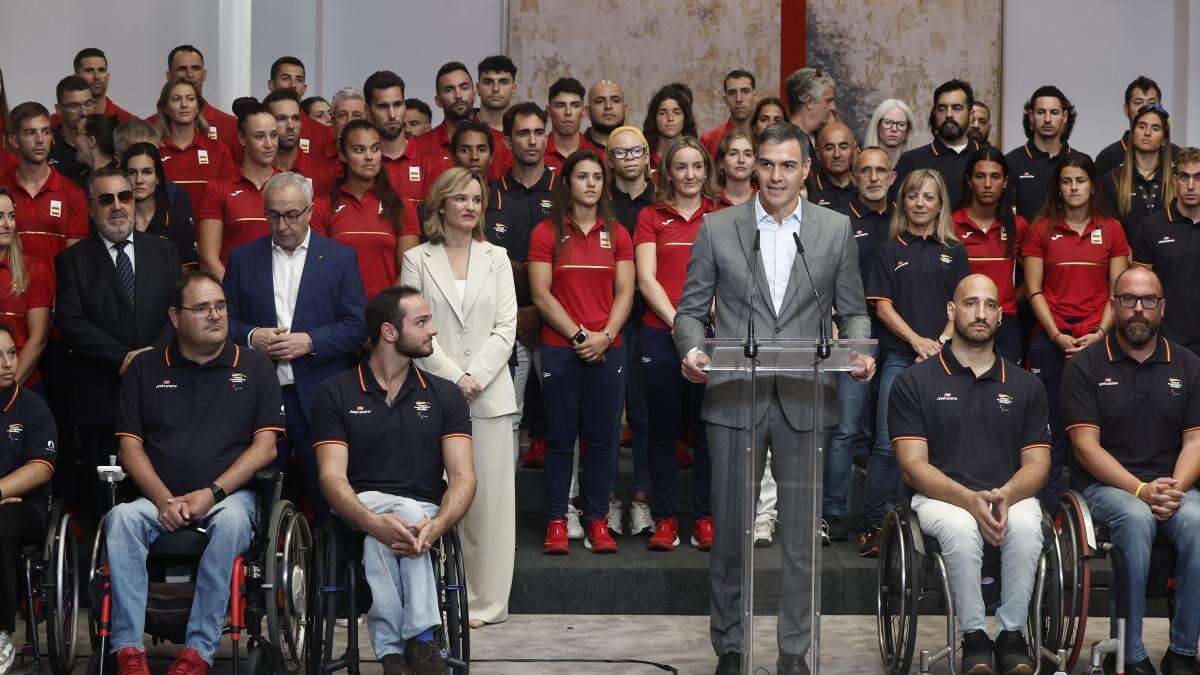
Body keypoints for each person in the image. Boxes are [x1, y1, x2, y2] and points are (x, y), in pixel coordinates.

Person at [675, 122, 874, 674]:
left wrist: (859, 350)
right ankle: (732, 650)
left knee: (800, 543)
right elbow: (690, 312)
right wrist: (692, 351)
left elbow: (854, 309)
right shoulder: (719, 229)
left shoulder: (835, 231)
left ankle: (794, 653)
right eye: (768, 164)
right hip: (736, 399)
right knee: (732, 537)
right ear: (753, 167)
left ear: (807, 170)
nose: (777, 175)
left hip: (806, 399)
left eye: (789, 165)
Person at [105, 270, 283, 675]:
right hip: (158, 499)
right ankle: (128, 651)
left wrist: (212, 493)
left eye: (220, 306)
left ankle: (199, 651)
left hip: (228, 499)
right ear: (174, 316)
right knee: (119, 519)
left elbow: (266, 446)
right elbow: (129, 448)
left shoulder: (255, 366)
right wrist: (163, 499)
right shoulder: (146, 368)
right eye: (202, 308)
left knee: (235, 522)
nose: (215, 315)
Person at [891, 274, 1050, 675]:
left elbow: (1037, 464)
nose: (981, 313)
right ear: (951, 310)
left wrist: (1005, 497)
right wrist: (970, 500)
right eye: (971, 303)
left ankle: (1013, 636)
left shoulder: (1027, 385)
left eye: (990, 305)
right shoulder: (914, 382)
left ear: (1000, 315)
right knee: (962, 527)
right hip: (940, 500)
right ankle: (976, 637)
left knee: (1029, 524)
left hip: (1009, 494)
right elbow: (912, 466)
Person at [312, 286, 474, 675]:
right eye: (421, 322)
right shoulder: (335, 392)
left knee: (396, 527)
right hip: (357, 506)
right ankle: (421, 641)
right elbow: (332, 477)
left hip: (423, 515)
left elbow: (464, 477)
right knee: (399, 516)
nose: (433, 329)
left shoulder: (445, 395)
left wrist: (435, 526)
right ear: (388, 331)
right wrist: (372, 520)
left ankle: (391, 654)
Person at [1062, 267, 1200, 675]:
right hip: (1106, 488)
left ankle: (1183, 652)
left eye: (1148, 300)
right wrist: (1141, 491)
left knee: (1197, 520)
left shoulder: (1189, 365)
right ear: (1112, 305)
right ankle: (1129, 653)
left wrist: (1174, 489)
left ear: (1162, 307)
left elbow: (1195, 441)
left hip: (1173, 484)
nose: (1138, 309)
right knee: (1136, 519)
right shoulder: (1085, 366)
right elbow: (1086, 449)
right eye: (1128, 299)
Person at [400, 167, 516, 627]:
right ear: (440, 205)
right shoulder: (417, 259)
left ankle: (488, 603)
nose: (471, 207)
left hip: (490, 397)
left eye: (477, 199)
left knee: (490, 507)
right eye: (461, 199)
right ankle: (439, 598)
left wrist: (476, 377)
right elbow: (414, 326)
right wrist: (454, 378)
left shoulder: (498, 257)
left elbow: (506, 327)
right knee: (438, 501)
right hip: (432, 393)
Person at [223, 171, 367, 514]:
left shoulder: (339, 258)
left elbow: (357, 326)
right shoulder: (243, 258)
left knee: (325, 492)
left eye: (292, 215)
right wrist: (251, 336)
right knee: (260, 494)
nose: (282, 225)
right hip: (258, 396)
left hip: (320, 394)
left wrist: (311, 342)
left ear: (310, 209)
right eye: (273, 215)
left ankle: (327, 562)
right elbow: (221, 321)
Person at [54, 166, 180, 520]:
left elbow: (178, 313)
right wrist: (123, 358)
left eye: (124, 197)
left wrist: (151, 355)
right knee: (104, 503)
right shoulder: (72, 261)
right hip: (101, 396)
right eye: (106, 199)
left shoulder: (165, 252)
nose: (117, 206)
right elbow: (71, 323)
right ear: (92, 207)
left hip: (162, 391)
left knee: (162, 495)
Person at [859, 169, 970, 558]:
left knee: (939, 447)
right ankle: (874, 528)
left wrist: (939, 340)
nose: (920, 204)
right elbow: (881, 305)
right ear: (902, 202)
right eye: (913, 196)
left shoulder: (955, 251)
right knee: (888, 445)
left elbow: (964, 303)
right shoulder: (890, 250)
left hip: (945, 359)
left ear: (940, 204)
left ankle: (927, 529)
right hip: (899, 358)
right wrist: (916, 341)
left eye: (928, 197)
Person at [529, 150, 634, 556]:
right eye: (582, 177)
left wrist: (605, 336)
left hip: (609, 349)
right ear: (567, 183)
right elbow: (541, 294)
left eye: (596, 177)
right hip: (561, 349)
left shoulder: (618, 233)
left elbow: (625, 291)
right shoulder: (546, 232)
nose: (590, 183)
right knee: (559, 440)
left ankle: (596, 521)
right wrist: (579, 337)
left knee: (602, 440)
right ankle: (557, 520)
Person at [1023, 151, 1129, 507]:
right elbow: (1034, 289)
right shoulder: (1041, 230)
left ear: (1092, 186)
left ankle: (1089, 516)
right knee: (1047, 432)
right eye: (1066, 181)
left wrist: (1099, 334)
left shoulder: (1112, 229)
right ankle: (1047, 513)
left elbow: (1118, 291)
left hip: (1098, 341)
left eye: (1080, 180)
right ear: (1057, 187)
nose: (1073, 187)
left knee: (1093, 432)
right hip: (1050, 339)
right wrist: (1055, 335)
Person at [633, 136, 718, 552]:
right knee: (663, 432)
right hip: (659, 331)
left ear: (706, 171)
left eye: (696, 166)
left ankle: (704, 519)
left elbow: (730, 275)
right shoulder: (651, 215)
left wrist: (699, 326)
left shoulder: (720, 215)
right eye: (680, 167)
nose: (689, 174)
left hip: (712, 335)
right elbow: (646, 280)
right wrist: (681, 325)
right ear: (667, 172)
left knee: (705, 433)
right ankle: (665, 520)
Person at [819, 146, 895, 546]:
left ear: (892, 176)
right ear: (855, 176)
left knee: (889, 431)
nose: (873, 177)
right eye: (865, 170)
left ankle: (881, 516)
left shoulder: (903, 218)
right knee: (846, 427)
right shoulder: (839, 221)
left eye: (881, 170)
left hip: (897, 337)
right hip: (852, 332)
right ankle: (831, 513)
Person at [490, 104, 556, 472]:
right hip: (506, 322)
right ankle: (504, 517)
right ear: (507, 139)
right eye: (522, 133)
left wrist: (540, 308)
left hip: (556, 320)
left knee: (565, 422)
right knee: (507, 418)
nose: (531, 140)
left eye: (537, 132)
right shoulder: (491, 194)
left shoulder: (565, 189)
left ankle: (568, 510)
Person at [602, 126, 653, 535]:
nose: (630, 157)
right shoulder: (599, 201)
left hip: (650, 319)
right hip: (605, 319)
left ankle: (641, 498)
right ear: (608, 158)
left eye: (637, 149)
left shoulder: (661, 200)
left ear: (649, 154)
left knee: (643, 414)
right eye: (621, 152)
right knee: (604, 416)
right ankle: (607, 499)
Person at [0, 324, 56, 674]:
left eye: (10, 353)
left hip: (27, 510)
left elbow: (41, 468)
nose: (7, 363)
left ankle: (1, 632)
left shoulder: (31, 406)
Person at [312, 119, 419, 300]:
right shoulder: (322, 206)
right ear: (343, 154)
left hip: (386, 314)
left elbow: (410, 271)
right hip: (338, 314)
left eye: (375, 149)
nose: (369, 156)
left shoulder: (401, 206)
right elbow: (319, 270)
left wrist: (384, 309)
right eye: (359, 150)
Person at [953, 148, 1029, 364]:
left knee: (1006, 389)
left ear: (1005, 181)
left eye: (995, 177)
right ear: (969, 180)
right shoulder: (951, 224)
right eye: (980, 176)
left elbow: (1034, 277)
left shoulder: (1018, 225)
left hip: (1005, 322)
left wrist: (1008, 300)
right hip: (964, 321)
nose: (987, 184)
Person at [1, 103, 88, 274]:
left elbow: (76, 261)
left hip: (58, 298)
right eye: (30, 132)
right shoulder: (2, 189)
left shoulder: (73, 193)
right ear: (14, 140)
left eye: (46, 132)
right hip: (8, 297)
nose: (40, 139)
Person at [195, 100, 278, 278]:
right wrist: (234, 294)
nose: (269, 144)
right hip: (233, 295)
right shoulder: (218, 188)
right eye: (259, 136)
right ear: (241, 138)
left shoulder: (290, 186)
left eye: (273, 135)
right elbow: (208, 258)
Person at [1131, 148, 1200, 355]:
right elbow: (1140, 289)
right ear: (1174, 180)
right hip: (1165, 341)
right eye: (1185, 177)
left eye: (1198, 178)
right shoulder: (1151, 227)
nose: (1190, 185)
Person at [409, 62, 510, 186]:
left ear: (474, 95)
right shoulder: (419, 146)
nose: (458, 96)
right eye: (449, 90)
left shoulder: (500, 143)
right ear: (438, 100)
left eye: (464, 87)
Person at [894, 80, 983, 209]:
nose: (949, 115)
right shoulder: (911, 161)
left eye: (957, 108)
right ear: (935, 114)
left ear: (970, 115)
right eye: (942, 109)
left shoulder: (986, 159)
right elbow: (897, 213)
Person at [152, 77, 237, 213]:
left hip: (208, 231)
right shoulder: (154, 150)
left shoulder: (218, 150)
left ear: (198, 107)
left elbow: (230, 198)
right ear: (165, 108)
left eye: (190, 99)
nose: (184, 104)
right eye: (176, 99)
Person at [0, 191, 51, 390]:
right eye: (0, 216)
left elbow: (38, 339)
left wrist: (8, 389)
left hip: (22, 384)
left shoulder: (33, 269)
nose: (7, 224)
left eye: (11, 216)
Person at [1006, 85, 1079, 223]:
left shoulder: (1078, 162)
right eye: (1041, 112)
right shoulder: (1011, 162)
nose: (1047, 119)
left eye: (1054, 112)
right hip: (1024, 243)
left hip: (1068, 243)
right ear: (1031, 116)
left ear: (1064, 117)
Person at [121, 142, 198, 270]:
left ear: (158, 178)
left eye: (147, 172)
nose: (139, 180)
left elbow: (186, 277)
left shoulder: (178, 221)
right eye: (132, 172)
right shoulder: (115, 220)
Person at [1102, 104, 1176, 235]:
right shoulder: (1112, 179)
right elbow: (1109, 232)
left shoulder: (1176, 178)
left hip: (1169, 254)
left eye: (1155, 128)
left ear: (1164, 139)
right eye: (1141, 127)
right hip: (1126, 255)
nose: (1147, 133)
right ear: (1132, 133)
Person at [157, 45, 240, 156]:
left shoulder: (229, 125)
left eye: (195, 68)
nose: (190, 75)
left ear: (204, 75)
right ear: (169, 75)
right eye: (182, 69)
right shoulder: (150, 127)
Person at [1095, 76, 1180, 179]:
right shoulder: (1108, 157)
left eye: (1152, 103)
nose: (1146, 107)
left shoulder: (1176, 155)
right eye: (1138, 102)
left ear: (1161, 108)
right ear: (1126, 110)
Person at [364, 71, 425, 209]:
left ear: (404, 107)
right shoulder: (360, 160)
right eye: (383, 106)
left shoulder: (428, 157)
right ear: (368, 111)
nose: (392, 114)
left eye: (397, 105)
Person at [260, 56, 333, 163]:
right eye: (285, 78)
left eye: (299, 80)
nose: (293, 85)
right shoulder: (253, 128)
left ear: (304, 88)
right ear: (271, 84)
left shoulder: (323, 133)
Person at [263, 88, 333, 195]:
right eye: (281, 118)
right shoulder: (257, 172)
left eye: (296, 118)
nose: (290, 126)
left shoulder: (322, 172)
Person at [48, 48, 135, 128]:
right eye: (89, 70)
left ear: (107, 76)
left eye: (101, 70)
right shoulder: (50, 124)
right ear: (76, 77)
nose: (97, 76)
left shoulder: (128, 122)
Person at [46, 76, 94, 188]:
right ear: (59, 109)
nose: (84, 112)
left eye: (88, 104)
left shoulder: (108, 144)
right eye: (74, 105)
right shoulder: (46, 148)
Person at [545, 78, 600, 172]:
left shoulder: (598, 155)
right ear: (549, 111)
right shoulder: (535, 152)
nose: (568, 112)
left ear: (583, 111)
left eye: (575, 105)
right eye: (560, 105)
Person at [700, 70, 757, 159]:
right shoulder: (709, 140)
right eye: (732, 93)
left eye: (745, 91)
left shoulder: (766, 137)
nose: (738, 99)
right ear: (725, 99)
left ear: (755, 95)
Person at [784, 67, 837, 158]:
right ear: (809, 102)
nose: (833, 108)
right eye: (828, 101)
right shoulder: (784, 140)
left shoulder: (821, 139)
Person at [642, 85, 698, 171]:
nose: (670, 118)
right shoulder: (643, 158)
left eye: (677, 112)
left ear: (685, 118)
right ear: (654, 118)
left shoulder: (698, 155)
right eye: (663, 113)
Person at [805, 121, 857, 210]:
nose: (837, 154)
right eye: (829, 148)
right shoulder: (808, 189)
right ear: (818, 153)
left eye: (843, 147)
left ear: (854, 151)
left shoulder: (863, 186)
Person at [863, 99, 916, 168]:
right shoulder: (862, 164)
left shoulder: (915, 165)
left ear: (908, 130)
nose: (894, 129)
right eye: (887, 122)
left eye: (901, 124)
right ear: (877, 126)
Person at [476, 55, 517, 132]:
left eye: (503, 82)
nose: (495, 89)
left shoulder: (524, 130)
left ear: (514, 89)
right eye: (488, 82)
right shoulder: (462, 128)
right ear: (478, 89)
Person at [715, 129, 756, 207]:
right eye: (733, 154)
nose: (741, 160)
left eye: (747, 154)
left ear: (755, 164)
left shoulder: (764, 200)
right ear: (721, 162)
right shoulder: (711, 203)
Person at [585, 80, 627, 150]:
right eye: (599, 101)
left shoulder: (641, 148)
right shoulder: (576, 149)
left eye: (615, 100)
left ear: (625, 109)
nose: (608, 106)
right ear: (588, 111)